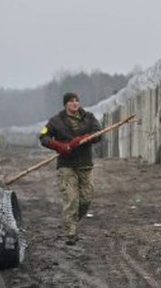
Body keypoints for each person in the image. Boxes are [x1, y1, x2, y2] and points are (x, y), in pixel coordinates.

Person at [39, 92, 104, 245]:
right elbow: (43, 136)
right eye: (71, 101)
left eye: (76, 101)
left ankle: (73, 220)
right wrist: (58, 146)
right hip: (66, 166)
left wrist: (84, 139)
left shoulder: (88, 118)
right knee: (71, 199)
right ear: (65, 104)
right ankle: (71, 232)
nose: (75, 103)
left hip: (85, 164)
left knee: (86, 199)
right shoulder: (56, 121)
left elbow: (98, 133)